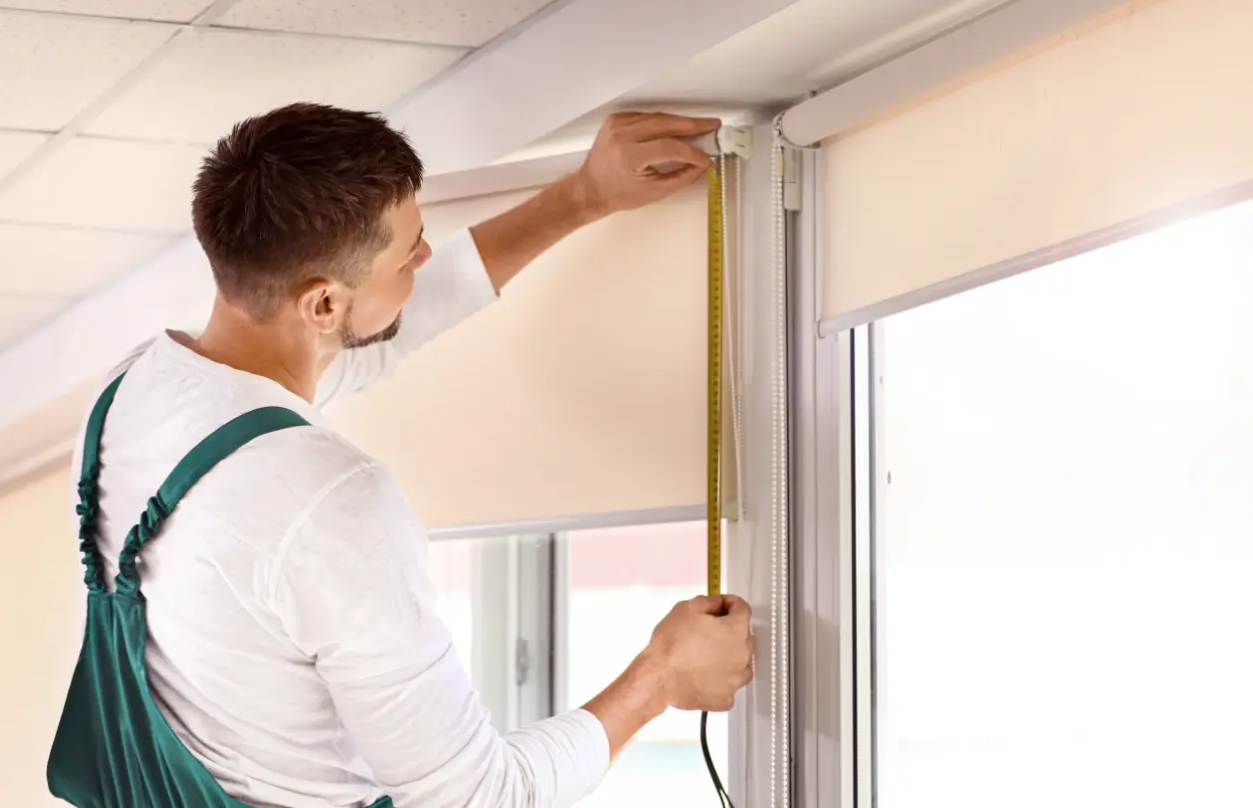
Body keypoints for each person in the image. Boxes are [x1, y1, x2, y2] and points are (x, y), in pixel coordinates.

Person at [45, 104, 757, 808]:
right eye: (408, 252)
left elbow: (371, 343)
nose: (424, 258)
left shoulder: (131, 394)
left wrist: (583, 196)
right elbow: (477, 797)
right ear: (323, 306)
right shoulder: (332, 499)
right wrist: (662, 676)